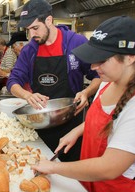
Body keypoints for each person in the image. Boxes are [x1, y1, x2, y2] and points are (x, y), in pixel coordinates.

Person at [32, 16, 135, 192]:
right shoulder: (108, 82)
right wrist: (78, 130)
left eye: (102, 60)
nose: (94, 67)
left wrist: (53, 167)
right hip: (92, 185)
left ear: (131, 57)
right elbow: (107, 119)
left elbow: (109, 167)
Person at [6, 0, 101, 162]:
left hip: (71, 124)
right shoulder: (30, 50)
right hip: (40, 124)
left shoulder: (76, 43)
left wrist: (86, 92)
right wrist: (26, 95)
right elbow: (13, 81)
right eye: (28, 30)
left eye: (35, 28)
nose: (31, 35)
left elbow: (99, 76)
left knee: (72, 175)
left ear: (49, 21)